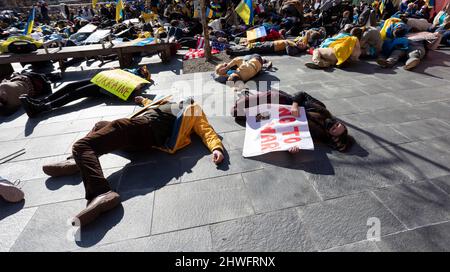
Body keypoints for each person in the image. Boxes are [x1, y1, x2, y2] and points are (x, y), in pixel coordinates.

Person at [42, 98, 225, 226]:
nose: (185, 99)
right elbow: (151, 105)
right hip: (138, 136)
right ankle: (79, 161)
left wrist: (216, 148)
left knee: (82, 145)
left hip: (144, 130)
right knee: (99, 126)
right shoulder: (167, 103)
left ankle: (101, 192)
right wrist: (142, 100)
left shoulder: (194, 110)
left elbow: (206, 130)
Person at [232, 90, 353, 153]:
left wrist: (291, 148)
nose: (334, 125)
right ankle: (247, 95)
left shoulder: (316, 135)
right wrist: (295, 105)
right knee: (238, 106)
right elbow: (302, 94)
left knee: (237, 113)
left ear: (330, 135)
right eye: (338, 124)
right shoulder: (322, 108)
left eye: (334, 129)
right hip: (279, 99)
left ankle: (248, 96)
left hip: (272, 116)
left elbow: (292, 137)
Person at [19, 66, 151, 118]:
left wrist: (138, 86)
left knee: (75, 93)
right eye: (141, 69)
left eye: (143, 71)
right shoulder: (130, 70)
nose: (141, 69)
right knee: (70, 86)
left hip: (105, 88)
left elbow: (133, 91)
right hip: (103, 79)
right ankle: (42, 101)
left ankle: (41, 108)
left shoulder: (138, 81)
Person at [377, 31, 443, 70]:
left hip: (417, 46)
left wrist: (439, 37)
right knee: (397, 51)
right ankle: (388, 62)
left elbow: (432, 47)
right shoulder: (408, 33)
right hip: (405, 44)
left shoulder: (427, 36)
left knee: (415, 53)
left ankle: (410, 63)